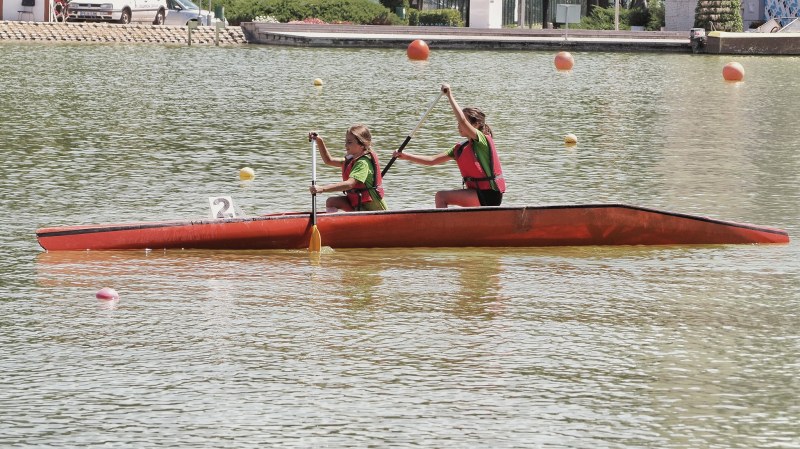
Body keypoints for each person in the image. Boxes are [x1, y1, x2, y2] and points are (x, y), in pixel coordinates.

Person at [393, 84, 505, 208]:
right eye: (458, 123)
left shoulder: (482, 140)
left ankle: (442, 227)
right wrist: (405, 156)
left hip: (489, 195)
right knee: (443, 196)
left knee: (441, 197)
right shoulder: (460, 148)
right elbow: (432, 161)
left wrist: (449, 96)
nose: (459, 125)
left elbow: (462, 120)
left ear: (476, 125)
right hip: (477, 193)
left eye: (463, 123)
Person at [308, 124, 388, 212]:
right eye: (345, 142)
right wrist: (319, 141)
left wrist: (322, 189)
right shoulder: (351, 160)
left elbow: (350, 184)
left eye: (349, 142)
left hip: (373, 209)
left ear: (362, 144)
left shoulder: (363, 163)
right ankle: (334, 224)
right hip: (358, 205)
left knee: (332, 201)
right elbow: (329, 160)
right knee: (331, 202)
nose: (346, 145)